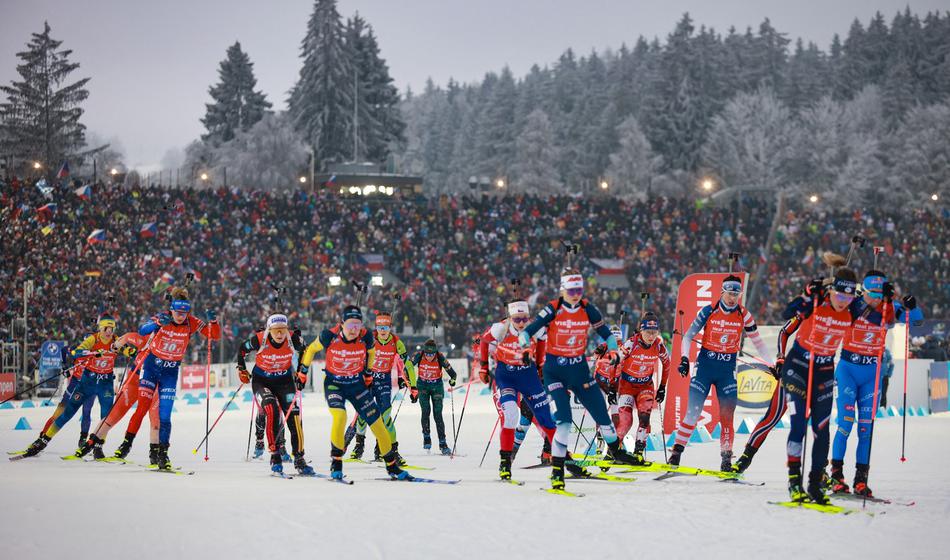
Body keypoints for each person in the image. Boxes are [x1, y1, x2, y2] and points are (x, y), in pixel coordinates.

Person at [520, 269, 642, 491]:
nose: (575, 294)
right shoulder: (553, 308)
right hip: (555, 372)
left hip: (579, 370)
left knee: (602, 415)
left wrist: (613, 350)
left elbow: (606, 334)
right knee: (564, 421)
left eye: (579, 289)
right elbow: (526, 333)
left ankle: (616, 451)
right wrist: (526, 349)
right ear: (563, 289)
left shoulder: (587, 308)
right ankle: (557, 471)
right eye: (571, 290)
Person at [780, 268, 868, 504]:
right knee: (798, 426)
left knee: (822, 431)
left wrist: (886, 299)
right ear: (831, 291)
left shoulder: (854, 310)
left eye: (848, 298)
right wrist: (806, 295)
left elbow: (881, 318)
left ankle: (815, 483)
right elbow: (786, 313)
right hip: (798, 367)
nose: (843, 302)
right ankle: (793, 482)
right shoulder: (817, 302)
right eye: (840, 296)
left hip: (824, 371)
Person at [830, 271, 920, 497]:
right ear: (864, 291)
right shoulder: (853, 305)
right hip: (849, 369)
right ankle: (836, 476)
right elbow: (865, 314)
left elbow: (917, 320)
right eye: (873, 294)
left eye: (881, 295)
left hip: (873, 373)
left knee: (866, 429)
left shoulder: (887, 306)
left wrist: (908, 303)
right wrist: (888, 303)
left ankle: (861, 479)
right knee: (845, 423)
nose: (877, 299)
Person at [669, 275, 772, 471]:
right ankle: (676, 454)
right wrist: (684, 358)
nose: (732, 298)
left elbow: (758, 342)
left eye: (736, 294)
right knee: (693, 413)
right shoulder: (709, 310)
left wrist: (773, 364)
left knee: (727, 416)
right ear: (722, 292)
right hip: (705, 369)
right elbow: (688, 336)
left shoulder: (744, 315)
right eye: (729, 293)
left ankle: (726, 459)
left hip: (727, 372)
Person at [298, 305, 407, 480]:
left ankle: (392, 466)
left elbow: (372, 353)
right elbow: (311, 349)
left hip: (357, 384)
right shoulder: (329, 335)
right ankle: (337, 461)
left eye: (357, 325)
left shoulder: (366, 336)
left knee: (377, 423)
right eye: (350, 325)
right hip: (335, 384)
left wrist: (368, 373)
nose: (354, 330)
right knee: (340, 417)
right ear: (342, 324)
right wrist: (302, 372)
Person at [20, 314, 129, 457]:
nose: (109, 332)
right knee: (67, 413)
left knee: (106, 416)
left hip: (105, 383)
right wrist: (93, 353)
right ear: (100, 328)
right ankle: (43, 441)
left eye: (112, 328)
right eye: (106, 328)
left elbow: (127, 350)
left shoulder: (116, 340)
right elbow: (75, 352)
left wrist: (130, 352)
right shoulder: (93, 339)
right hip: (87, 382)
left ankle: (97, 447)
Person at [135, 287, 220, 470]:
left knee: (165, 415)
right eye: (178, 313)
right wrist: (157, 324)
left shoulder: (191, 322)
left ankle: (163, 454)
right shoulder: (163, 316)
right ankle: (139, 447)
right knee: (143, 408)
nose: (181, 316)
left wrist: (213, 321)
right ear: (171, 310)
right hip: (151, 366)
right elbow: (142, 330)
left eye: (184, 313)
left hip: (170, 372)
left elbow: (215, 335)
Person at [479, 300, 557, 480]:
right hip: (506, 377)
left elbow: (544, 340)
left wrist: (540, 365)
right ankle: (505, 463)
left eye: (524, 318)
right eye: (517, 319)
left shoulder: (534, 328)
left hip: (528, 377)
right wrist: (484, 367)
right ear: (510, 317)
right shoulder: (500, 328)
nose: (521, 323)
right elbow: (484, 341)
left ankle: (561, 460)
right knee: (512, 415)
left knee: (546, 417)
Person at [237, 313, 313, 475]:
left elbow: (306, 351)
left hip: (285, 382)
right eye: (276, 330)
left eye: (283, 330)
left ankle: (299, 458)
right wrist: (242, 369)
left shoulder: (293, 339)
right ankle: (275, 455)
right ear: (269, 330)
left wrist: (301, 372)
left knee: (294, 417)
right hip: (261, 382)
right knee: (270, 409)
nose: (280, 334)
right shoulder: (259, 339)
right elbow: (242, 350)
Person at [71, 331, 156, 462]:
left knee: (153, 417)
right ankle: (90, 444)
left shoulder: (169, 346)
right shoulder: (145, 338)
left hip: (153, 384)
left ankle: (151, 453)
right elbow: (127, 337)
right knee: (113, 414)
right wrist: (116, 346)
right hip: (134, 380)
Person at [350, 311, 414, 464]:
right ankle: (359, 447)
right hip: (367, 380)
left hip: (384, 381)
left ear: (390, 328)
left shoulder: (397, 342)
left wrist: (414, 386)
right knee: (363, 414)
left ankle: (392, 451)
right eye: (380, 327)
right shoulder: (368, 339)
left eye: (385, 327)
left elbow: (408, 365)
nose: (383, 331)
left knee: (385, 417)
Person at [617, 313, 671, 463]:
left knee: (645, 418)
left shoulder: (659, 345)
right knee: (625, 420)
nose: (651, 336)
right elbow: (616, 362)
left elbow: (667, 365)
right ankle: (613, 450)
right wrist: (612, 386)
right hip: (627, 386)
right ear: (641, 331)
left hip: (645, 386)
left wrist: (662, 387)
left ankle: (638, 452)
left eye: (654, 332)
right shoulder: (631, 344)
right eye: (648, 332)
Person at [408, 339, 458, 455]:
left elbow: (453, 374)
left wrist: (453, 380)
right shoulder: (419, 355)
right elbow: (408, 368)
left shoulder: (440, 357)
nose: (429, 357)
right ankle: (426, 437)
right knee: (425, 411)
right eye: (427, 354)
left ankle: (443, 443)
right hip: (422, 386)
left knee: (438, 414)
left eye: (432, 354)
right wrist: (411, 387)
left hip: (437, 387)